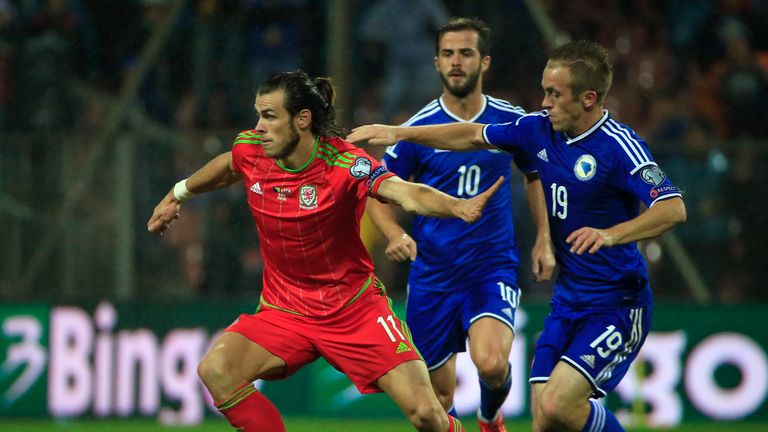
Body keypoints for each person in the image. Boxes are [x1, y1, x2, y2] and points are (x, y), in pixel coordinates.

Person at [348, 40, 687, 432]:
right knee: (545, 418)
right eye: (544, 90)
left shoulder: (619, 146)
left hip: (617, 301)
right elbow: (471, 135)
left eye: (555, 95)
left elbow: (672, 207)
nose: (544, 102)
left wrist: (612, 234)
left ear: (589, 99)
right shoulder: (537, 129)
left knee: (559, 405)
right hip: (568, 300)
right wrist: (401, 133)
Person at [146, 70, 506, 432]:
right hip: (285, 311)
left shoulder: (346, 165)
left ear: (302, 119)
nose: (258, 126)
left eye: (269, 116)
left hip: (354, 311)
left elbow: (404, 192)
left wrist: (456, 206)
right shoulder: (252, 149)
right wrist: (179, 194)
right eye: (258, 114)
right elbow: (229, 164)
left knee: (428, 415)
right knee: (216, 369)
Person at [365, 17, 554, 432]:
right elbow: (376, 191)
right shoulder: (415, 129)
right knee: (440, 399)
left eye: (465, 53)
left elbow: (535, 174)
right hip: (433, 273)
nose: (456, 62)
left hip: (491, 267)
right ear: (435, 62)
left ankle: (490, 418)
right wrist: (395, 234)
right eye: (448, 54)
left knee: (491, 364)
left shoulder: (510, 120)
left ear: (484, 62)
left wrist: (544, 239)